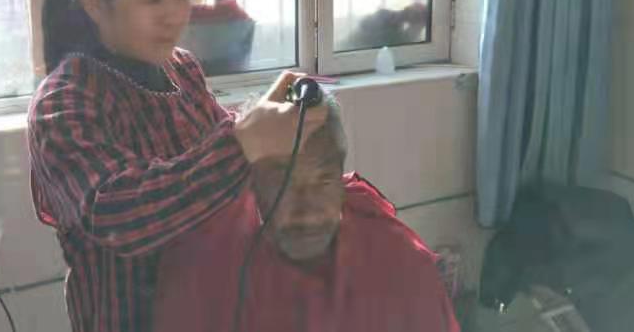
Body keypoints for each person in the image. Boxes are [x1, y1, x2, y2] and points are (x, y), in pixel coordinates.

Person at [26, 0, 327, 332]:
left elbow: (216, 150)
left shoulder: (181, 69)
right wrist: (243, 144)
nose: (174, 16)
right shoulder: (64, 103)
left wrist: (264, 121)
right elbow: (120, 216)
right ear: (94, 2)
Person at [153, 95, 461, 332]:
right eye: (283, 182)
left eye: (323, 181)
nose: (307, 211)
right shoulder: (207, 276)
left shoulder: (397, 261)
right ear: (252, 183)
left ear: (341, 179)